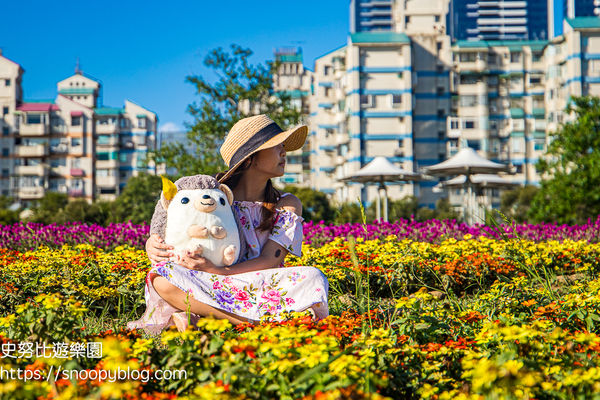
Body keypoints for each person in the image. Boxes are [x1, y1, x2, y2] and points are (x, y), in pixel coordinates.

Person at [127, 115, 329, 335]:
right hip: (210, 282)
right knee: (162, 277)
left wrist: (219, 270)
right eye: (276, 146)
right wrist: (153, 243)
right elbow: (179, 228)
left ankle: (204, 320)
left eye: (283, 146)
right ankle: (252, 322)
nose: (284, 152)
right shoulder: (214, 197)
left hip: (258, 283)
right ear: (250, 158)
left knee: (314, 277)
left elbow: (271, 260)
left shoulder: (287, 203)